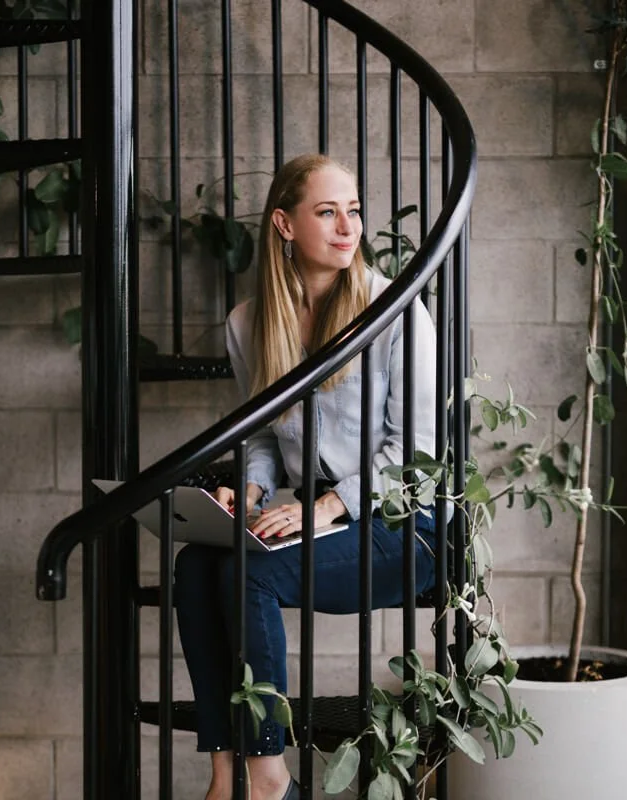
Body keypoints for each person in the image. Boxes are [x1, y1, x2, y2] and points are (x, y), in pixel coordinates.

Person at [173, 154, 439, 800]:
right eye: (328, 212)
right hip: (326, 521)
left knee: (251, 570)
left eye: (353, 210)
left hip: (407, 525)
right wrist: (253, 490)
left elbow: (420, 457)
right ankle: (223, 774)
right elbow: (264, 431)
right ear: (284, 225)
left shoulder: (395, 310)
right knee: (194, 566)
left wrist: (321, 510)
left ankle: (267, 779)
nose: (348, 226)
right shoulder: (248, 324)